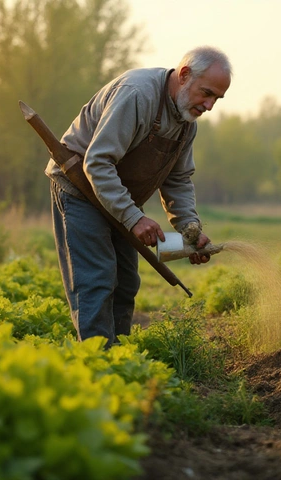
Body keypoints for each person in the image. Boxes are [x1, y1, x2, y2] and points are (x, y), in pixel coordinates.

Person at [45, 46, 232, 348]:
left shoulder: (186, 121)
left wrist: (190, 230)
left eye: (216, 99)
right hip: (80, 188)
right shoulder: (138, 95)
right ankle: (98, 363)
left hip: (117, 200)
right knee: (97, 279)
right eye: (206, 93)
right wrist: (134, 218)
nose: (209, 105)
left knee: (126, 281)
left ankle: (120, 359)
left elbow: (178, 180)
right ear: (184, 75)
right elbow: (98, 162)